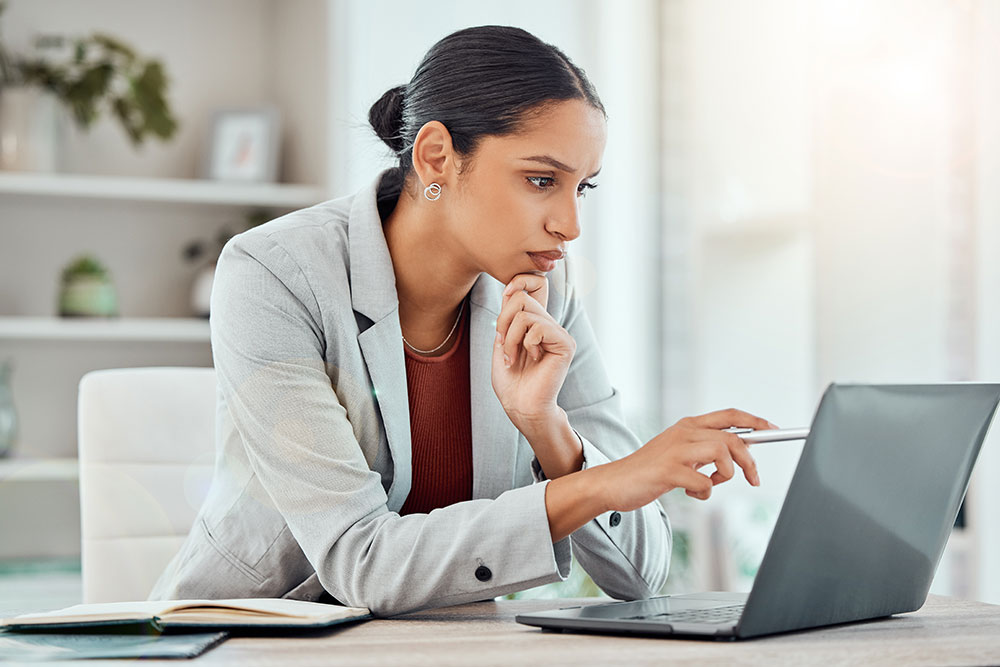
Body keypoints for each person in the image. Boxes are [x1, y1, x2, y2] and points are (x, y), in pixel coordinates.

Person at [149, 25, 772, 617]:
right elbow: (359, 561)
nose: (569, 224)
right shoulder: (274, 272)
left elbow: (641, 576)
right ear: (437, 156)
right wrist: (604, 483)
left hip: (453, 642)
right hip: (256, 637)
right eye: (540, 179)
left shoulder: (548, 287)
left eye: (581, 188)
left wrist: (549, 430)